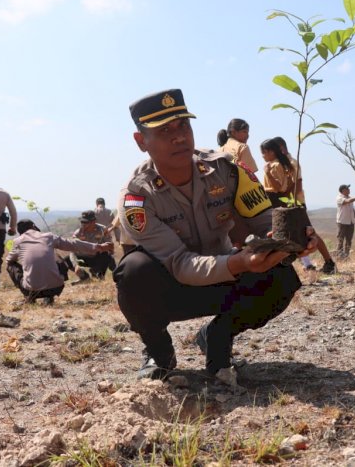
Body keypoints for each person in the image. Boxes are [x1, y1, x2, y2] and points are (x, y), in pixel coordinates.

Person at [115, 88, 315, 380]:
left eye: (184, 125)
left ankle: (216, 338)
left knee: (282, 277)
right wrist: (239, 263)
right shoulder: (137, 196)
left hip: (224, 275)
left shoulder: (227, 170)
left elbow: (264, 220)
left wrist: (293, 238)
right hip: (172, 287)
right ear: (141, 141)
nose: (179, 137)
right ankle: (159, 353)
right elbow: (180, 263)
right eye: (164, 130)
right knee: (133, 273)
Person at [6, 219, 112, 304]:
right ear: (34, 227)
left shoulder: (17, 241)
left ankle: (29, 297)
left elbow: (9, 261)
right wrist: (98, 247)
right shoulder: (48, 236)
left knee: (11, 265)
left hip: (31, 290)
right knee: (56, 256)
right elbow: (73, 244)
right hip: (55, 288)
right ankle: (49, 296)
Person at [272, 136, 336, 274]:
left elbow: (297, 184)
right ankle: (307, 264)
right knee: (293, 234)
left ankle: (329, 262)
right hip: (286, 204)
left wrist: (291, 202)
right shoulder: (280, 164)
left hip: (295, 203)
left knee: (309, 232)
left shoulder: (291, 163)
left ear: (281, 148)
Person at [66, 210, 116, 280]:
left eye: (86, 222)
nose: (83, 224)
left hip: (97, 257)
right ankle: (84, 277)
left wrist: (105, 249)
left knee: (107, 255)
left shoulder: (102, 229)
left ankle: (99, 273)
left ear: (94, 221)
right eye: (82, 222)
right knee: (66, 260)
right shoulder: (78, 233)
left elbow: (110, 245)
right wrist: (75, 265)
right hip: (84, 258)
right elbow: (72, 250)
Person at [260, 138, 294, 207]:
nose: (262, 156)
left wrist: (268, 173)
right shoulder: (273, 164)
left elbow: (278, 187)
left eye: (263, 153)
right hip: (275, 198)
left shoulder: (276, 165)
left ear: (272, 152)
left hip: (274, 199)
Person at [335, 184, 355, 259]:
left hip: (351, 222)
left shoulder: (350, 198)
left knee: (349, 240)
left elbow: (352, 209)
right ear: (343, 190)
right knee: (341, 239)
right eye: (347, 189)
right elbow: (347, 202)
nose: (349, 190)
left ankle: (346, 256)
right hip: (342, 222)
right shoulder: (339, 198)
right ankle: (339, 255)